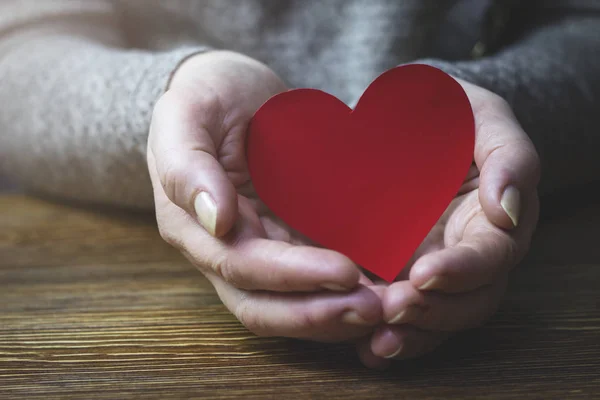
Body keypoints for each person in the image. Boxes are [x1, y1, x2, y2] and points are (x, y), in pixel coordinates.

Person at [0, 0, 599, 369]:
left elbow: (584, 27)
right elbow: (17, 55)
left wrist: (489, 114)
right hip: (118, 279)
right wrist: (167, 98)